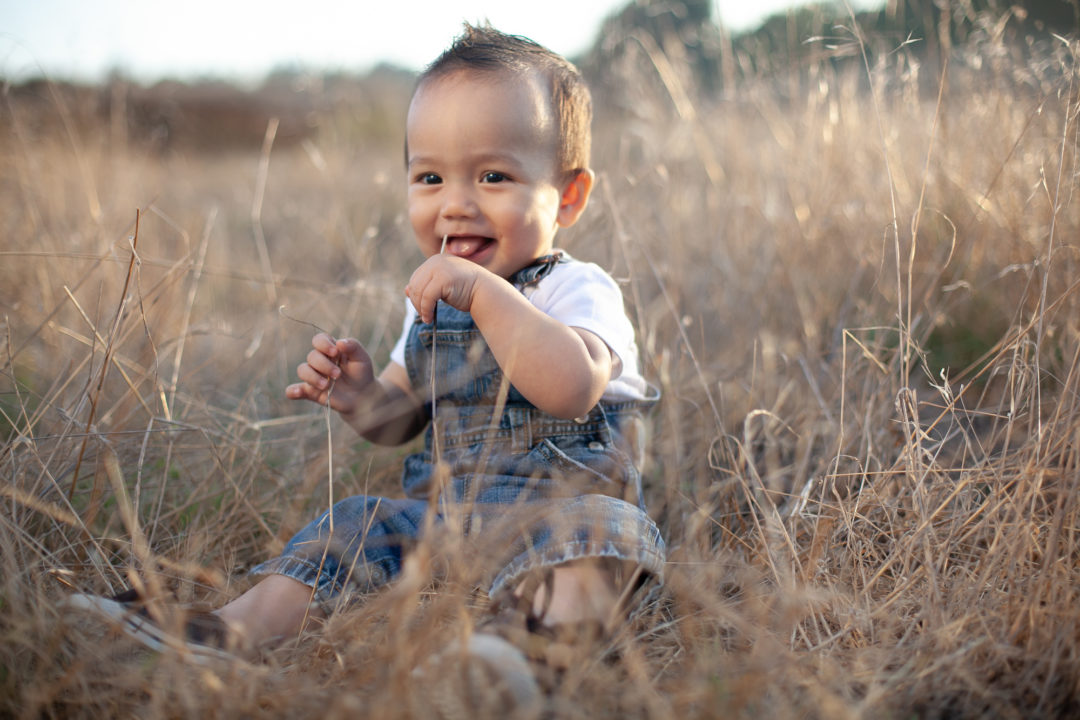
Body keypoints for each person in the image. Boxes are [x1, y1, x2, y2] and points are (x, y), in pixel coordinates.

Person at [72, 23, 665, 694]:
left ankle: (514, 657)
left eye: (494, 176)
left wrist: (488, 297)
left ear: (569, 196)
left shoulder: (577, 288)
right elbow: (401, 417)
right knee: (352, 523)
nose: (456, 202)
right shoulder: (432, 302)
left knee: (607, 536)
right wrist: (362, 398)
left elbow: (571, 387)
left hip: (559, 520)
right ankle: (229, 630)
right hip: (445, 525)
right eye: (431, 177)